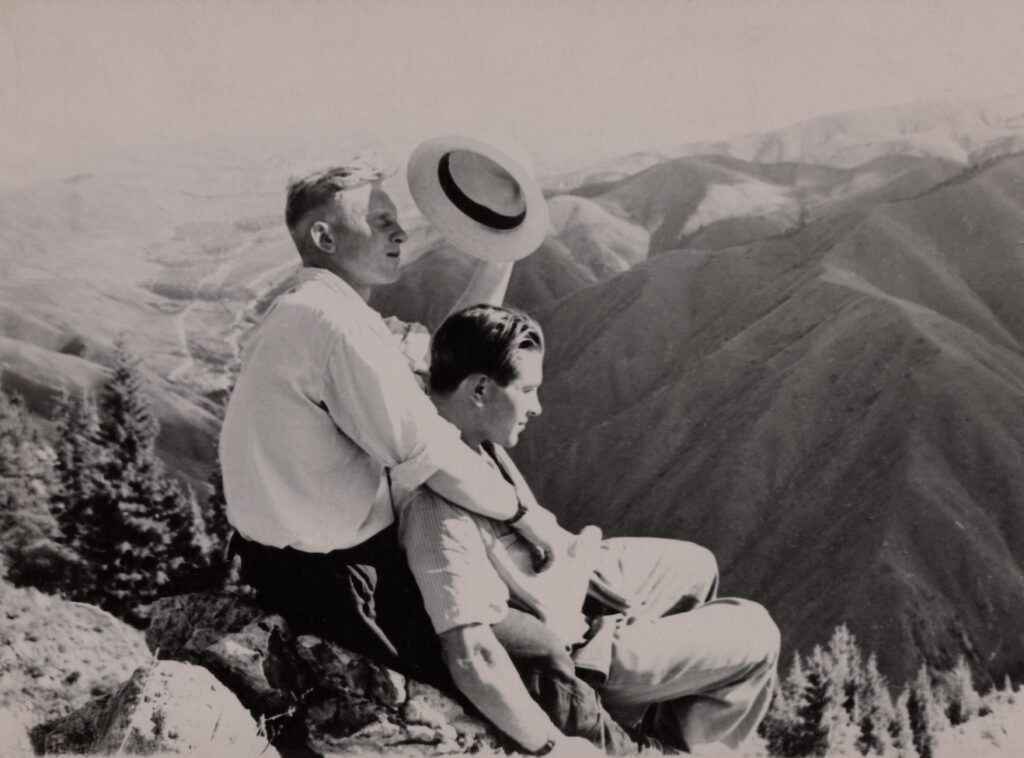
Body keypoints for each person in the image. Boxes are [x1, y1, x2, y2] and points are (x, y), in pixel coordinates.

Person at [218, 151, 567, 691]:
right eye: (380, 222)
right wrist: (523, 513)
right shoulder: (336, 328)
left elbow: (439, 363)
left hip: (291, 566)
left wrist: (499, 251)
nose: (400, 233)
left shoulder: (315, 312)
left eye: (396, 220)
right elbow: (434, 458)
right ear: (325, 238)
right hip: (335, 580)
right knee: (543, 649)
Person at [395, 304, 781, 755]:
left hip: (569, 582)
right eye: (527, 390)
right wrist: (549, 746)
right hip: (577, 641)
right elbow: (470, 654)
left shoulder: (447, 423)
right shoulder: (433, 511)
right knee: (756, 634)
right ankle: (674, 745)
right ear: (479, 388)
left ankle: (665, 686)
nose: (537, 407)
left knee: (697, 567)